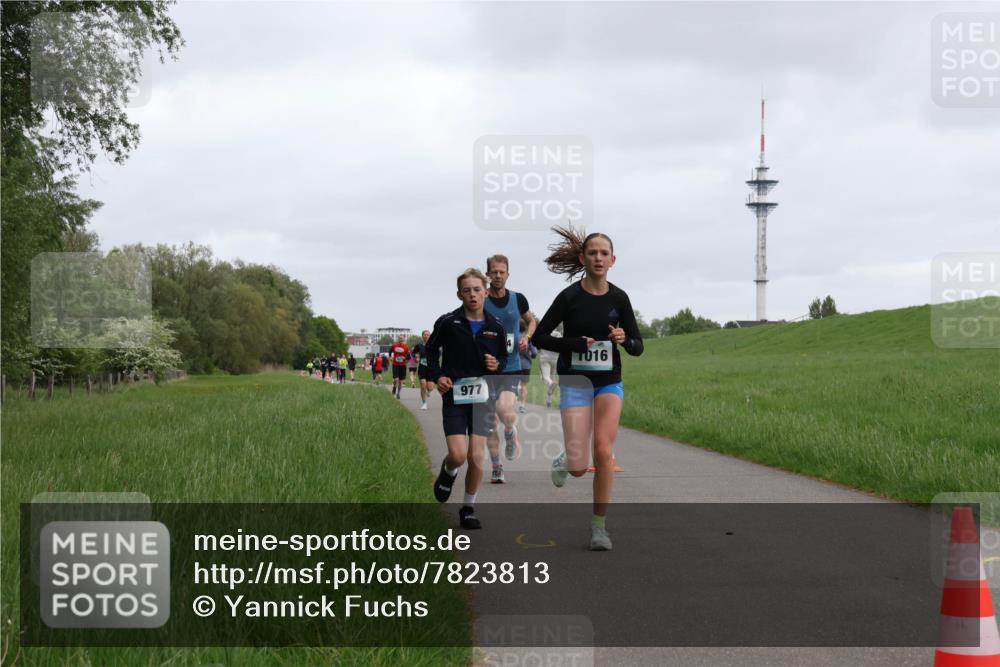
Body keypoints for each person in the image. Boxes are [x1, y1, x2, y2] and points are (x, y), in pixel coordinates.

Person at [532, 225, 643, 551]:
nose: (598, 258)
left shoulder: (619, 298)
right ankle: (566, 459)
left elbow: (638, 346)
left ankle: (599, 528)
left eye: (603, 253)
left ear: (613, 260)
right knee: (580, 467)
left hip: (609, 382)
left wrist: (626, 339)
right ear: (583, 258)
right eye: (592, 253)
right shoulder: (570, 297)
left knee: (604, 452)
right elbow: (539, 337)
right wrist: (573, 344)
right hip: (576, 382)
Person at [426, 268, 508, 530]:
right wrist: (438, 376)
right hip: (454, 396)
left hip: (483, 397)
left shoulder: (496, 326)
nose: (472, 295)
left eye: (476, 290)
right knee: (459, 455)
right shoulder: (448, 322)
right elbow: (429, 353)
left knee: (476, 456)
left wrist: (496, 364)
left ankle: (468, 508)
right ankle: (448, 471)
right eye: (466, 290)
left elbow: (503, 361)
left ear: (485, 292)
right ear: (459, 294)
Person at [484, 254, 536, 485]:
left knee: (504, 409)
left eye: (501, 272)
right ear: (488, 274)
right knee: (488, 422)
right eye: (494, 272)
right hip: (484, 367)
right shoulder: (480, 298)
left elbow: (532, 321)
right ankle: (496, 466)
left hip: (511, 366)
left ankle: (510, 431)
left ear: (508, 274)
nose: (498, 276)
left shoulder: (518, 299)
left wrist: (526, 336)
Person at [516, 318, 538, 413]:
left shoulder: (514, 337)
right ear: (525, 328)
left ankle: (516, 391)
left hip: (515, 365)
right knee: (524, 385)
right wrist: (531, 355)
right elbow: (534, 353)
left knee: (512, 384)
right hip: (526, 365)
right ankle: (522, 405)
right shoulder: (527, 339)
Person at [538, 327, 561, 407]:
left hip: (544, 357)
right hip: (555, 358)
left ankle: (551, 383)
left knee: (546, 378)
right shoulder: (558, 334)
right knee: (552, 378)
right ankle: (549, 400)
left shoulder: (543, 334)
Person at [413, 330, 433, 410]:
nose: (426, 336)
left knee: (430, 388)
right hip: (422, 367)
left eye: (428, 335)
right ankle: (424, 403)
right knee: (423, 385)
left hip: (431, 368)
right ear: (422, 336)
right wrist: (416, 357)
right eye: (425, 334)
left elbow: (438, 354)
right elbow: (413, 353)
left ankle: (428, 392)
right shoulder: (419, 345)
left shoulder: (433, 345)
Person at [389, 335, 410, 400]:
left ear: (404, 339)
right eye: (400, 338)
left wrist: (405, 358)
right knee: (396, 379)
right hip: (395, 364)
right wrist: (390, 357)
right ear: (398, 339)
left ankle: (398, 393)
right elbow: (390, 351)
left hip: (403, 365)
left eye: (402, 338)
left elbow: (409, 356)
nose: (401, 339)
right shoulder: (394, 345)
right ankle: (394, 387)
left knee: (401, 381)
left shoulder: (406, 347)